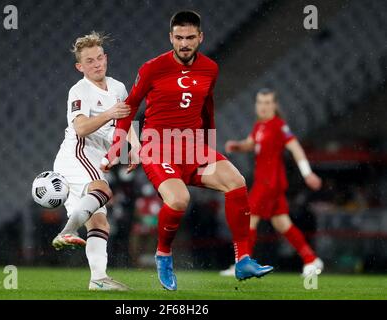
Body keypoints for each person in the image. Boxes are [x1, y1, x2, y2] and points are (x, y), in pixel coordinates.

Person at [101, 11, 273, 291]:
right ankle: (164, 254)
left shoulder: (210, 69)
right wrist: (119, 146)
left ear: (200, 38)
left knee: (237, 182)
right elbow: (130, 106)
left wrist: (208, 146)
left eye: (190, 37)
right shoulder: (152, 68)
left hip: (193, 148)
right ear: (171, 37)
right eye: (179, 37)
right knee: (180, 200)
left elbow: (207, 108)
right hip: (157, 147)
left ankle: (243, 260)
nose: (184, 43)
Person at [52, 32, 134, 290]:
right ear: (80, 67)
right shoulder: (79, 91)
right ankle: (66, 231)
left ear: (106, 58)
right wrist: (109, 112)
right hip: (77, 156)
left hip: (95, 160)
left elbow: (124, 123)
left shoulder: (118, 87)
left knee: (99, 222)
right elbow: (81, 128)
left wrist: (137, 149)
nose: (97, 64)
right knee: (103, 190)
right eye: (90, 61)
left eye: (100, 58)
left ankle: (98, 280)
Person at [221, 88, 324, 277]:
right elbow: (250, 143)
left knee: (248, 219)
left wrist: (307, 173)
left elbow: (295, 148)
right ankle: (311, 259)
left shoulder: (278, 126)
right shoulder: (260, 126)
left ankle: (242, 263)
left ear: (275, 105)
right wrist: (238, 146)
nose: (263, 106)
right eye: (260, 102)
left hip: (269, 183)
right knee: (282, 224)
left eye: (268, 102)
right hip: (266, 183)